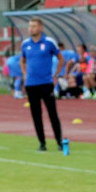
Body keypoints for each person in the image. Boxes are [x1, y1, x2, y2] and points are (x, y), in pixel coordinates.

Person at [21, 17, 65, 152]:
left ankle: (59, 141)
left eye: (34, 26)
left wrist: (56, 75)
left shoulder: (49, 42)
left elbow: (61, 59)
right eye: (30, 26)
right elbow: (22, 60)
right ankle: (42, 143)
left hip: (46, 83)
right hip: (31, 84)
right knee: (36, 115)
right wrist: (25, 75)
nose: (31, 29)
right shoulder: (25, 44)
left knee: (52, 113)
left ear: (40, 28)